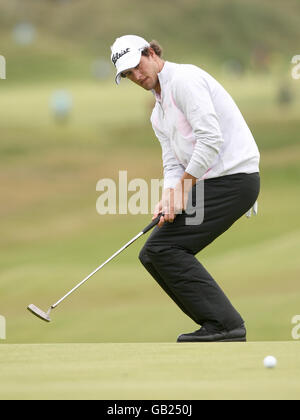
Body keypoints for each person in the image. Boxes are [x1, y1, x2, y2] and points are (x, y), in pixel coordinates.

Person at [110, 35, 260, 342]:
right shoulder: (158, 112)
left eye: (137, 67)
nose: (137, 77)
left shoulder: (185, 80)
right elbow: (172, 163)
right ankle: (217, 324)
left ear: (150, 52)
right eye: (128, 75)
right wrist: (168, 196)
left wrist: (183, 190)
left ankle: (225, 325)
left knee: (163, 248)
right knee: (153, 253)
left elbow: (210, 139)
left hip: (234, 179)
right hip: (214, 182)